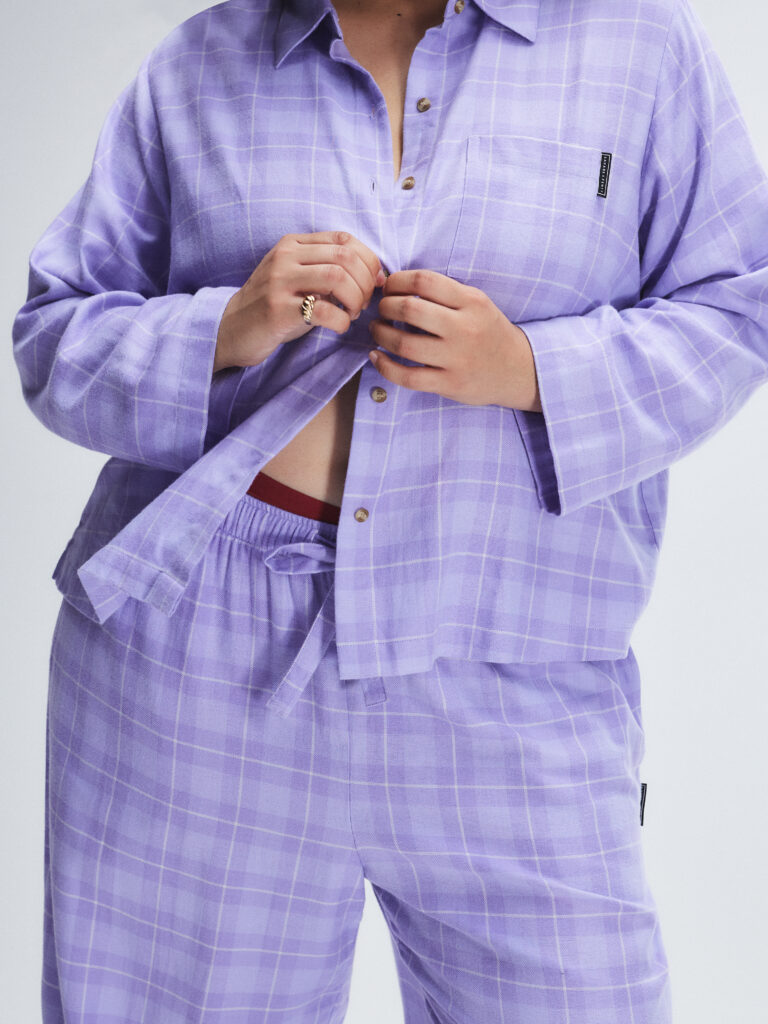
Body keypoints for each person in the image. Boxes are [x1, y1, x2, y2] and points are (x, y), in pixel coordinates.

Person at [12, 0, 768, 1020]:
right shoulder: (199, 64)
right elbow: (54, 337)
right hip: (194, 665)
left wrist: (530, 367)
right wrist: (226, 326)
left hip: (511, 658)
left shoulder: (643, 48)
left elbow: (738, 306)